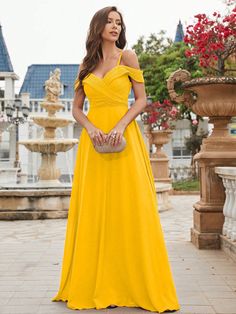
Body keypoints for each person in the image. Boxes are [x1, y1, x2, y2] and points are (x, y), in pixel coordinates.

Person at [51, 6, 180, 313]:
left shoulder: (128, 57)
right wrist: (93, 129)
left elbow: (142, 99)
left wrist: (121, 125)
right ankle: (98, 283)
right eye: (109, 21)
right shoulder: (86, 62)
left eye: (118, 23)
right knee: (95, 210)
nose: (114, 26)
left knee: (129, 207)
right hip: (94, 145)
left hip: (125, 140)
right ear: (97, 26)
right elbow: (77, 109)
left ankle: (131, 284)